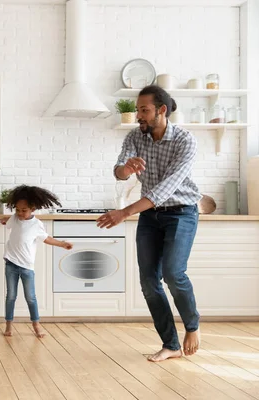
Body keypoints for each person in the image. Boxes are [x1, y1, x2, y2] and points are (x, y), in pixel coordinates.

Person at [96, 85, 202, 362]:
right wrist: (125, 169)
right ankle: (171, 344)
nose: (139, 115)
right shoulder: (135, 136)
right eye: (138, 110)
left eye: (144, 110)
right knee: (148, 282)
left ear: (161, 110)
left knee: (173, 274)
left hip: (181, 212)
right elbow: (118, 171)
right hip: (150, 217)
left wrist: (123, 212)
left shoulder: (185, 141)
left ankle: (192, 326)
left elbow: (165, 189)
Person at [0, 185, 73, 338]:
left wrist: (62, 243)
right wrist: (5, 220)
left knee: (30, 297)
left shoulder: (36, 224)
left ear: (32, 208)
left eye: (24, 210)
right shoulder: (14, 218)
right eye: (17, 210)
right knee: (11, 296)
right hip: (11, 264)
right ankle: (8, 325)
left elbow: (46, 239)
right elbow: (8, 224)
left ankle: (36, 325)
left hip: (27, 267)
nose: (20, 213)